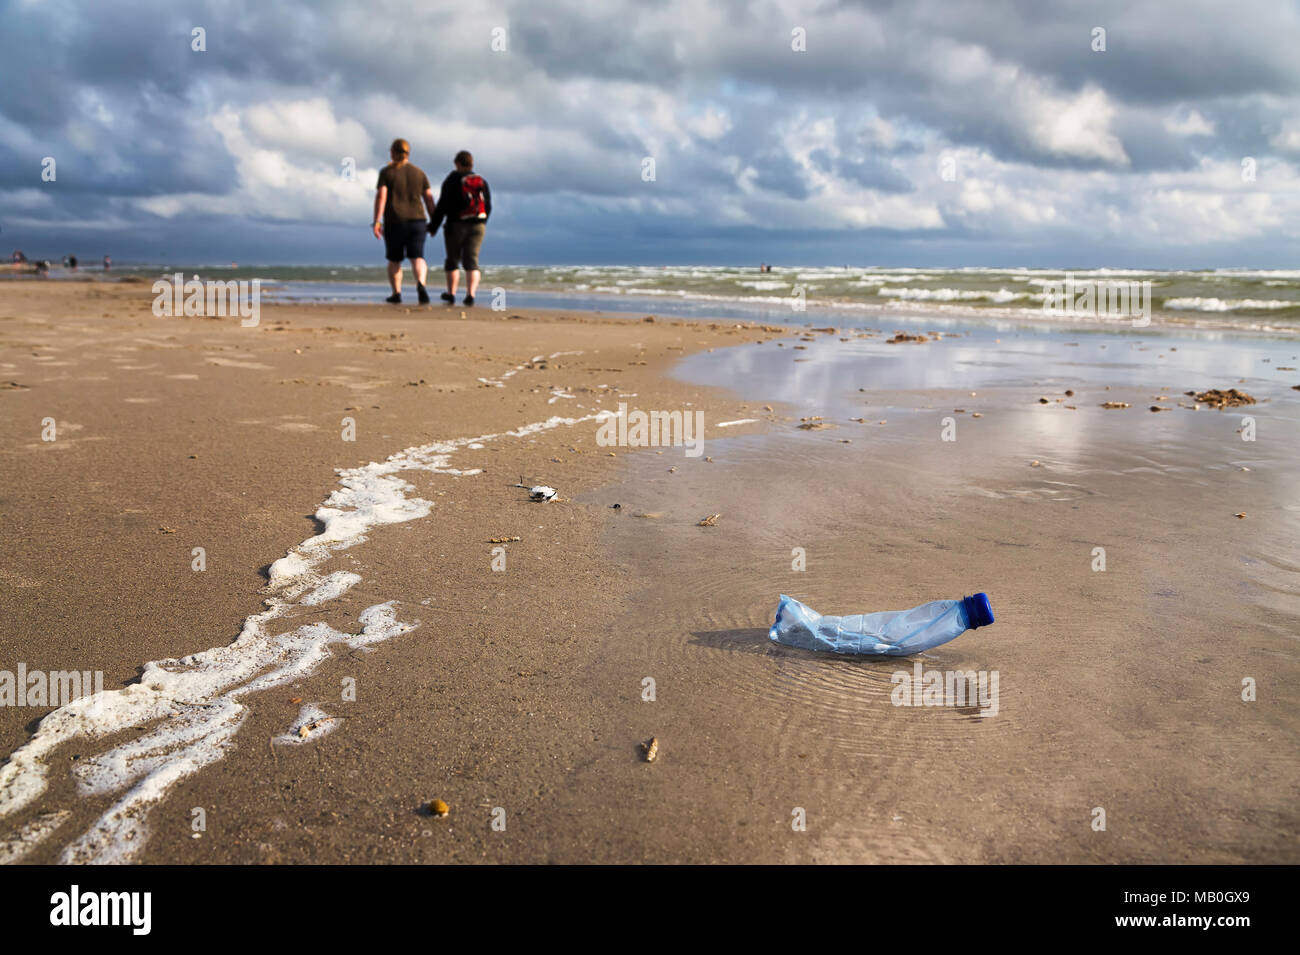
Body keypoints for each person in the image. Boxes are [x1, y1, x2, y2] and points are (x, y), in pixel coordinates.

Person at [373, 138, 436, 304]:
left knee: (394, 260)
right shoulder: (419, 173)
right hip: (418, 221)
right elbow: (429, 199)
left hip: (395, 222)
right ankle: (421, 284)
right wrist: (434, 221)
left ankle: (396, 293)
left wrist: (377, 221)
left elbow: (382, 196)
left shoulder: (386, 172)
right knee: (417, 257)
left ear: (393, 152)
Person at [429, 150, 491, 306]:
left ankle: (451, 293)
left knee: (452, 259)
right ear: (471, 164)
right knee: (472, 261)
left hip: (456, 224)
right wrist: (482, 222)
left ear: (457, 163)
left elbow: (442, 205)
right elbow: (488, 206)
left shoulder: (452, 179)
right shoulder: (481, 181)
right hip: (478, 225)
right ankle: (471, 294)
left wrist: (433, 226)